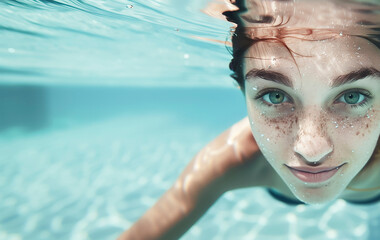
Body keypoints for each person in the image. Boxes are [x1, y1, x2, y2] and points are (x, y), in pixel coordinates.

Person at [118, 0, 380, 239]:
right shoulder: (232, 159)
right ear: (243, 93)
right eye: (275, 96)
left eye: (353, 97)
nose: (311, 151)